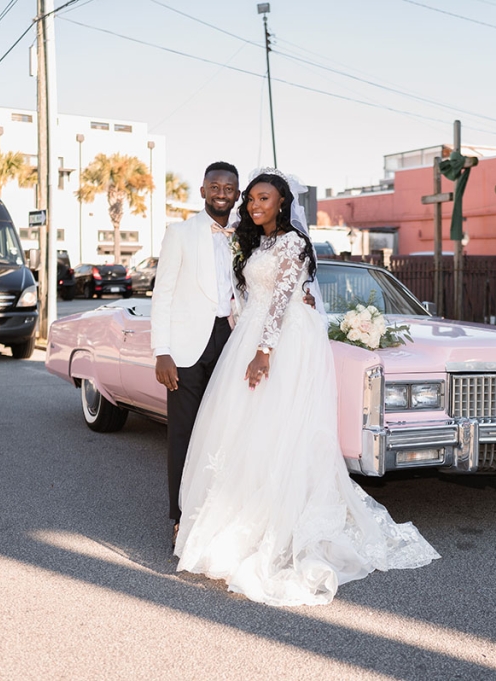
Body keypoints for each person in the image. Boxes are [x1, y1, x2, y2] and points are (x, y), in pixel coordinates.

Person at [173, 170, 439, 607]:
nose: (256, 205)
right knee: (246, 430)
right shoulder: (255, 243)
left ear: (282, 203)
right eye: (252, 199)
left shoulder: (294, 243)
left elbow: (280, 300)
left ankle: (278, 520)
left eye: (265, 198)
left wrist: (264, 350)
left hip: (282, 340)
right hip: (253, 335)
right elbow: (248, 294)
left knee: (280, 426)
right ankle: (238, 514)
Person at [151, 161, 241, 548]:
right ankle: (180, 517)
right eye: (215, 186)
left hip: (232, 338)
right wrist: (162, 351)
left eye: (229, 188)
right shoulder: (180, 233)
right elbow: (163, 294)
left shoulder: (245, 235)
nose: (222, 193)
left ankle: (218, 515)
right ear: (203, 190)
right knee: (184, 436)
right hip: (186, 348)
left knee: (225, 432)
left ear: (237, 194)